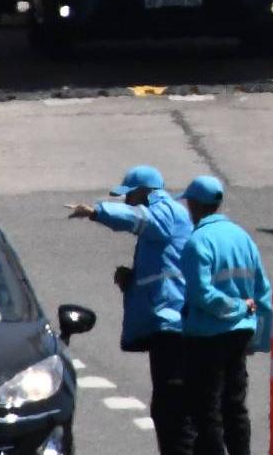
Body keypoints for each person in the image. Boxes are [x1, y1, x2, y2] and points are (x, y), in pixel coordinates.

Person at [69, 165, 194, 455]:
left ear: (145, 192)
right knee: (167, 408)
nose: (127, 201)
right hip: (167, 324)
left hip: (172, 326)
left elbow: (138, 218)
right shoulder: (165, 217)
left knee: (173, 408)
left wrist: (96, 212)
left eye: (130, 195)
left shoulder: (164, 211)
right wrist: (132, 281)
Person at [178, 176, 273, 455]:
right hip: (241, 335)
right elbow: (263, 293)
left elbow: (202, 296)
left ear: (195, 204)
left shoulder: (198, 242)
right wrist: (259, 339)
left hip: (209, 336)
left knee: (207, 408)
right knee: (235, 405)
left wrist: (237, 307)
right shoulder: (242, 237)